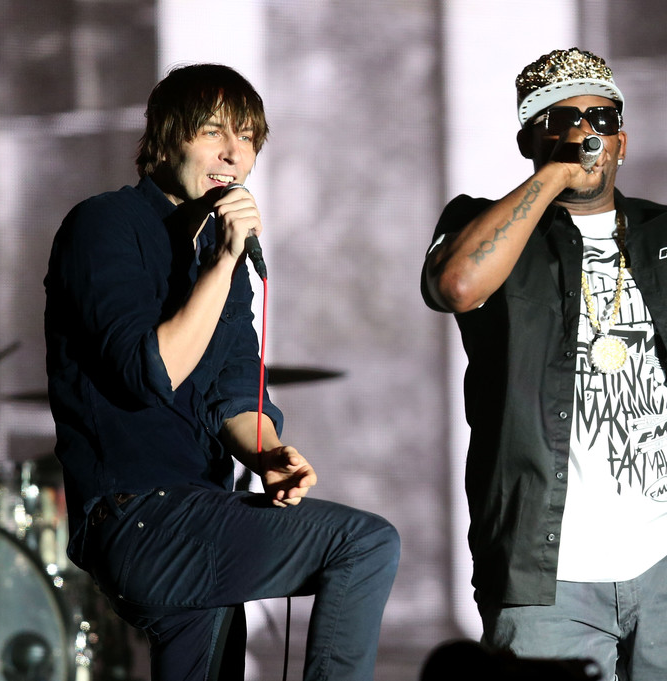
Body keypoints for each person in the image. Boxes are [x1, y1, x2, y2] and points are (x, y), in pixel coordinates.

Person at [421, 48, 667, 680]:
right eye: (562, 119)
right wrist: (554, 176)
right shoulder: (478, 224)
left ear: (623, 138)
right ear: (528, 140)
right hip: (546, 574)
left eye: (602, 117)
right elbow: (457, 286)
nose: (585, 130)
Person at [45, 63, 400, 681]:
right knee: (363, 543)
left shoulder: (220, 258)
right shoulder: (104, 224)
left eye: (248, 138)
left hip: (201, 515)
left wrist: (269, 453)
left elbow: (235, 390)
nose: (234, 153)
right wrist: (224, 261)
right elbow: (148, 372)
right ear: (165, 140)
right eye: (214, 132)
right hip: (138, 516)